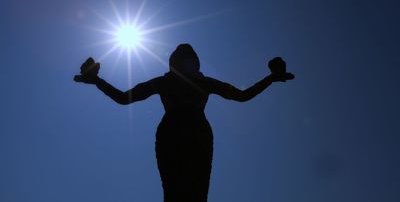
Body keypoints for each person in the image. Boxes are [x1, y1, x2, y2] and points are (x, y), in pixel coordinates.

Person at [74, 43, 294, 202]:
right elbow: (124, 98)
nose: (184, 64)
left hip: (191, 133)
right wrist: (96, 81)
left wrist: (271, 79)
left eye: (187, 60)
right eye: (180, 60)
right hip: (178, 133)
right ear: (175, 64)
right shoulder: (172, 81)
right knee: (177, 193)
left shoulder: (193, 82)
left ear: (193, 64)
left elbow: (242, 95)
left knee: (194, 194)